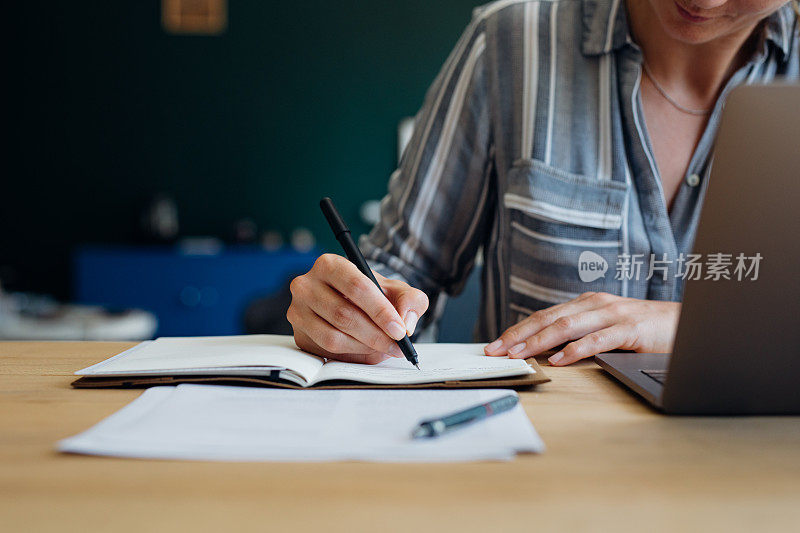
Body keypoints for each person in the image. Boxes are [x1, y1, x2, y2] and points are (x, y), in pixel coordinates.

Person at [287, 0, 799, 366]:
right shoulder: (509, 44)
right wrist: (350, 309)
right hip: (534, 468)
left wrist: (688, 328)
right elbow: (403, 268)